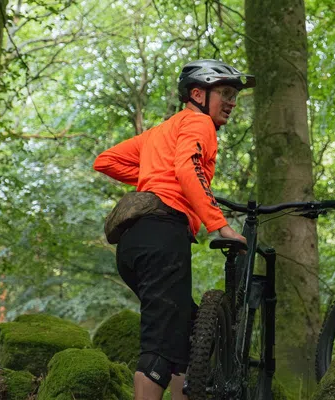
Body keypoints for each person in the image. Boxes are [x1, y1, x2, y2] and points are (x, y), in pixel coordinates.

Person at [93, 59, 254, 400]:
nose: (232, 102)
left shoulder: (160, 133)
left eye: (234, 95)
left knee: (185, 334)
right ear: (198, 94)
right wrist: (220, 226)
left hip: (134, 243)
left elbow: (106, 160)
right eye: (224, 92)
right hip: (163, 235)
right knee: (161, 342)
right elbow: (187, 168)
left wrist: (152, 175)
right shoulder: (199, 124)